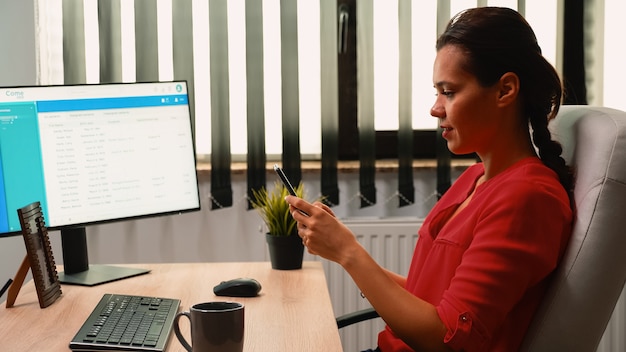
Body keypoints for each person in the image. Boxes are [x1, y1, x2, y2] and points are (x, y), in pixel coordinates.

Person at [285, 6, 574, 352]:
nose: (435, 108)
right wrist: (344, 250)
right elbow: (432, 298)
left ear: (505, 90)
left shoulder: (528, 198)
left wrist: (348, 253)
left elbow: (446, 338)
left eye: (449, 92)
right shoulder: (474, 178)